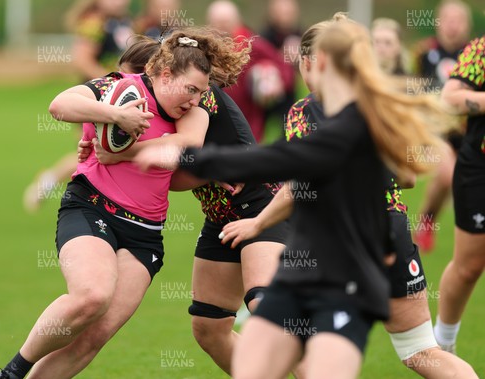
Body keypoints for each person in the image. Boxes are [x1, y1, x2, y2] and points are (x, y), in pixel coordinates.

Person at [134, 19, 449, 379]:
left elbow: (276, 161)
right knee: (254, 364)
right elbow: (404, 177)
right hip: (312, 258)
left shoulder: (344, 119)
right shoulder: (356, 112)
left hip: (347, 268)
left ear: (320, 62)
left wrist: (190, 157)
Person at [218, 14, 477, 379]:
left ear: (312, 62)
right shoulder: (377, 105)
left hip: (342, 240)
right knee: (420, 351)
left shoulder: (304, 112)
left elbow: (301, 185)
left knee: (294, 343)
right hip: (391, 228)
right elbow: (406, 177)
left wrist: (258, 222)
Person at [0, 28, 250, 379]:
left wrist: (126, 152)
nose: (196, 99)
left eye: (202, 92)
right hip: (91, 207)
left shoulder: (193, 113)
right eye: (190, 89)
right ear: (163, 74)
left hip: (144, 234)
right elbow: (59, 105)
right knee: (92, 296)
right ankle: (10, 373)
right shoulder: (119, 88)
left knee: (92, 338)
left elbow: (183, 151)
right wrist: (115, 116)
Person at [75, 34, 288, 376]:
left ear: (157, 72)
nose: (133, 97)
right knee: (209, 327)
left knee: (265, 310)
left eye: (133, 86)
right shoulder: (171, 106)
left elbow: (185, 150)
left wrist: (120, 153)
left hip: (262, 207)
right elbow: (172, 174)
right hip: (220, 218)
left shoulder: (197, 99)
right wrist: (102, 148)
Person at [23, 0, 135, 212]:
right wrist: (111, 83)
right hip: (95, 99)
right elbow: (82, 60)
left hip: (116, 99)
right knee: (95, 150)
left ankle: (62, 188)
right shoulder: (93, 23)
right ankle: (58, 188)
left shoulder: (125, 21)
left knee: (102, 151)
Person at [434, 34, 485, 355]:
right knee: (469, 266)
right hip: (479, 165)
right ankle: (444, 342)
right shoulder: (482, 49)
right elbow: (448, 99)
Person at [413, 0, 473, 252]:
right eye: (447, 19)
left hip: (468, 131)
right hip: (436, 130)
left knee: (466, 183)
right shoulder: (424, 53)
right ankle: (426, 221)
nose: (452, 26)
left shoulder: (475, 55)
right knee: (447, 174)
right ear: (437, 23)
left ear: (467, 25)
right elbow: (413, 89)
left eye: (458, 20)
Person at [206, 0, 295, 143]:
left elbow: (283, 66)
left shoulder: (251, 43)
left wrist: (276, 83)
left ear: (237, 21)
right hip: (213, 118)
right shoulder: (205, 47)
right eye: (217, 22)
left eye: (226, 21)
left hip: (248, 119)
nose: (221, 27)